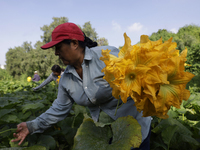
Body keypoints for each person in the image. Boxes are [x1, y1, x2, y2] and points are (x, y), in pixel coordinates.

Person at [12, 22, 151, 149]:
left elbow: (141, 75)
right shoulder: (66, 78)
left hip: (135, 130)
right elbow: (59, 107)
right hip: (104, 135)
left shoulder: (107, 56)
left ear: (74, 43)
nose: (56, 53)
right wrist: (32, 126)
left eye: (58, 47)